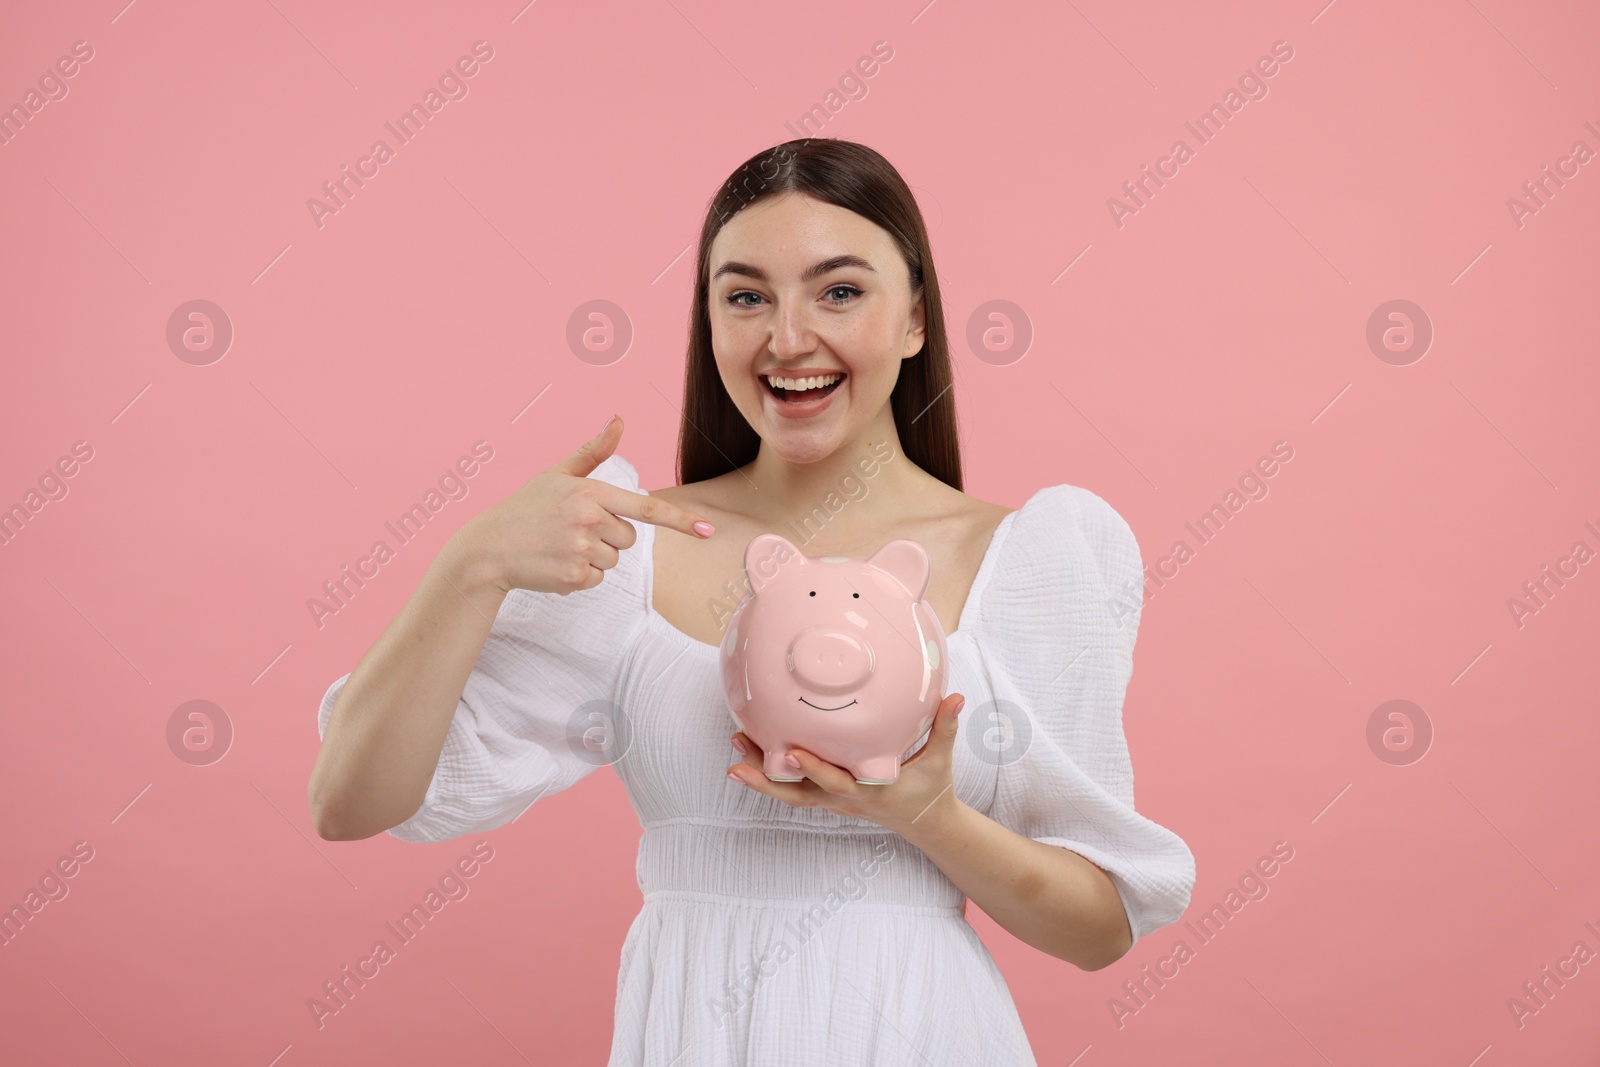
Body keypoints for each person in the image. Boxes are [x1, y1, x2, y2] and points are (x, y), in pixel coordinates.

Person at [308, 138, 1195, 1065]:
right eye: (745, 296)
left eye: (840, 291)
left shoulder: (1030, 561)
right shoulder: (628, 544)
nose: (786, 338)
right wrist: (470, 563)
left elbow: (1099, 927)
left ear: (916, 319)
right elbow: (350, 800)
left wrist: (926, 816)